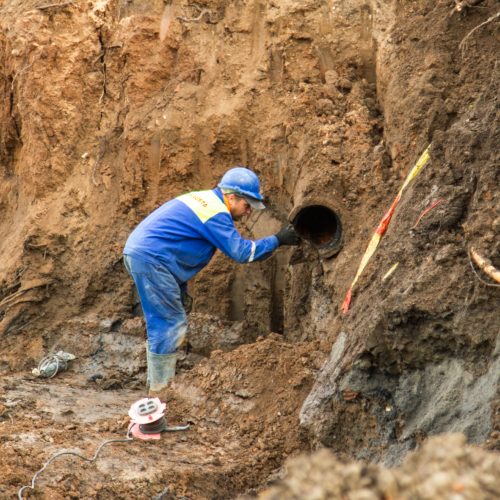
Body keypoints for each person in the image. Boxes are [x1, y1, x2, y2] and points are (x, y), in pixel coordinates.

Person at [123, 166, 300, 398]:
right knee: (169, 323)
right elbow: (242, 252)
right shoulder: (216, 212)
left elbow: (177, 239)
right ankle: (159, 394)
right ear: (232, 197)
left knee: (166, 320)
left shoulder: (204, 201)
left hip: (148, 256)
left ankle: (156, 387)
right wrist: (278, 240)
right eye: (247, 205)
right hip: (152, 259)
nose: (248, 212)